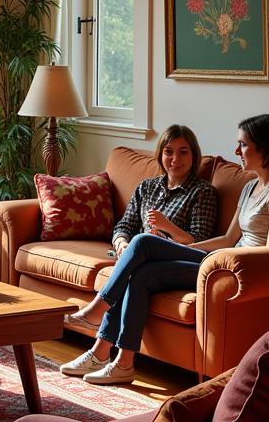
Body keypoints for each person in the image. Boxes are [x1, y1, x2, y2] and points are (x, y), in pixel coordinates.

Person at [61, 114, 269, 386]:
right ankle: (122, 362)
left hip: (240, 272)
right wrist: (175, 249)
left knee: (142, 241)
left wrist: (181, 249)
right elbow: (227, 238)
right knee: (142, 274)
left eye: (243, 145)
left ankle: (98, 308)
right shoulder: (250, 187)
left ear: (266, 148)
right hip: (219, 261)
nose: (237, 151)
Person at [65, 123, 217, 330]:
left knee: (143, 241)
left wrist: (167, 226)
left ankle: (97, 310)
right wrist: (121, 244)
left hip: (180, 258)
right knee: (137, 262)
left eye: (183, 152)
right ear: (160, 154)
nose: (175, 159)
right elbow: (125, 225)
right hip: (144, 257)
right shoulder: (147, 187)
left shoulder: (202, 192)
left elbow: (199, 241)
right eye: (168, 152)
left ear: (194, 156)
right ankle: (107, 353)